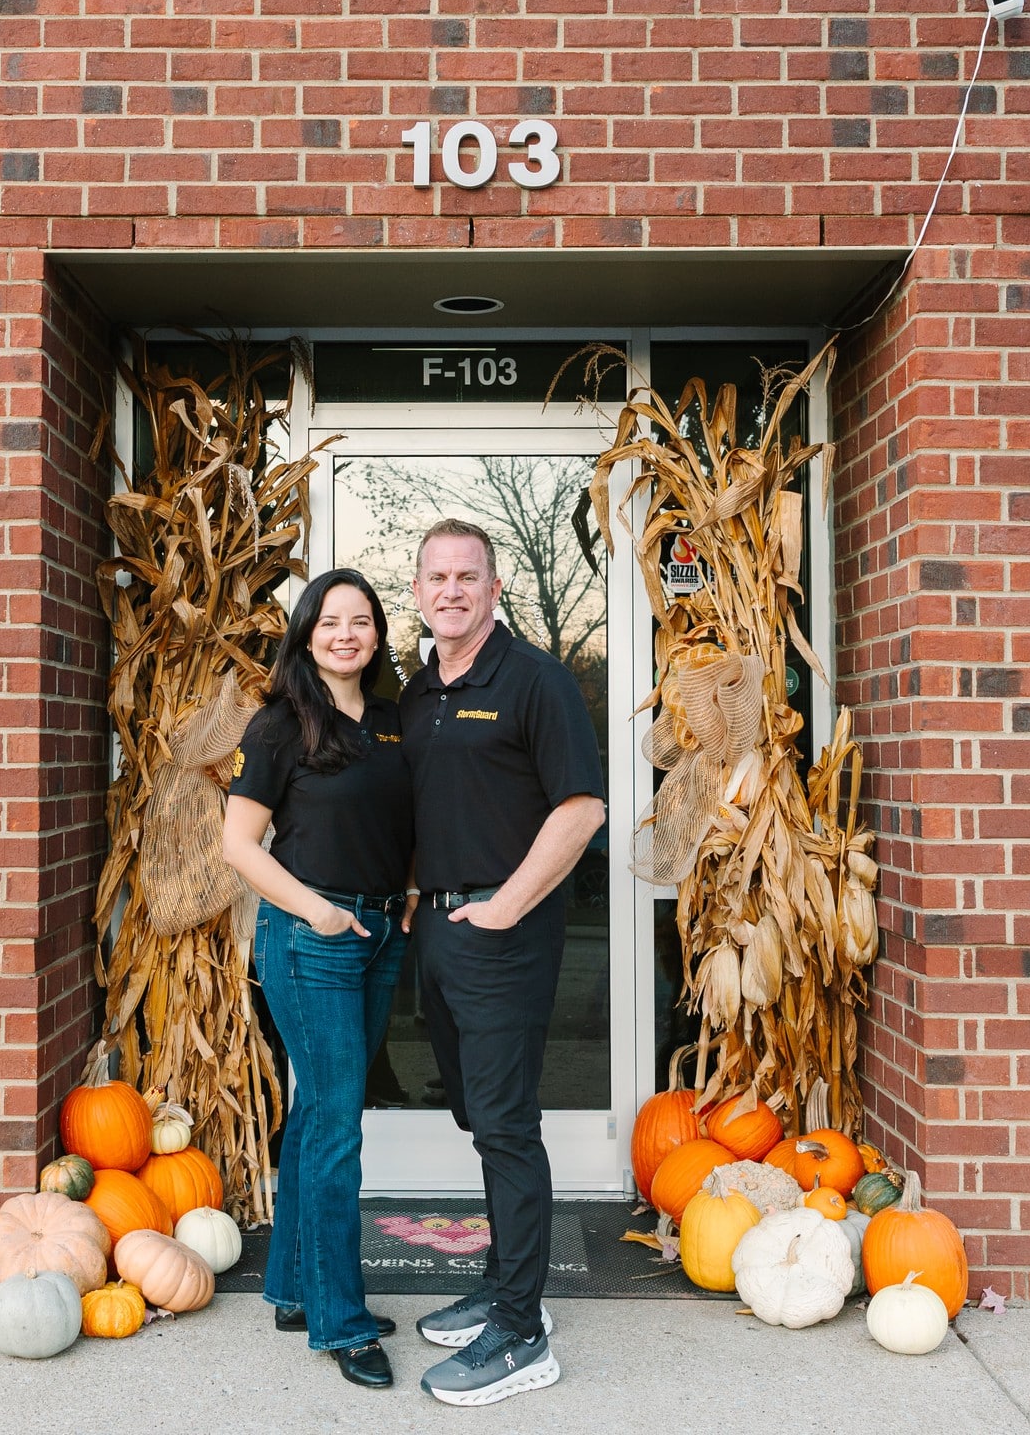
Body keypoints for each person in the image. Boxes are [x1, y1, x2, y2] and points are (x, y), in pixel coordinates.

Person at [401, 519, 606, 1407]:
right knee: (478, 1119)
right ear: (417, 591)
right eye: (436, 577)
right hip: (439, 933)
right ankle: (502, 1282)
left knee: (508, 1126)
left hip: (501, 933)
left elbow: (581, 808)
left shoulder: (534, 680)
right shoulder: (417, 693)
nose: (451, 590)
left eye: (467, 577)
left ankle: (523, 1332)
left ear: (493, 589)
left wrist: (504, 907)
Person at [222, 568, 415, 1391]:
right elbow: (237, 846)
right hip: (311, 940)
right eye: (330, 620)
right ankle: (340, 1323)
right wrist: (322, 914)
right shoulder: (278, 726)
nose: (346, 633)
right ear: (305, 635)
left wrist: (403, 891)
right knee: (337, 1127)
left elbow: (402, 820)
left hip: (377, 935)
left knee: (317, 1114)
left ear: (376, 635)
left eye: (361, 620)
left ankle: (296, 1287)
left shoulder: (394, 725)